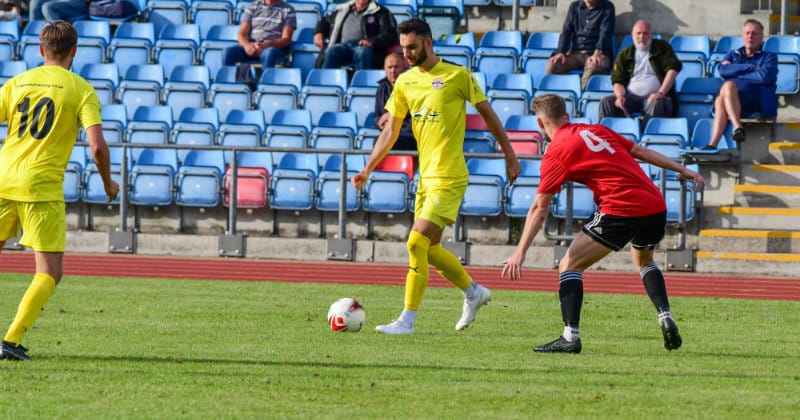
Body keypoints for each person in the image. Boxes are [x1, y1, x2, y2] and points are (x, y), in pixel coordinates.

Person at [351, 18, 521, 335]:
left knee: (416, 242)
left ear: (428, 42)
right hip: (425, 178)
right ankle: (473, 292)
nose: (406, 54)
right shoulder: (405, 82)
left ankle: (407, 320)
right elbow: (390, 131)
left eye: (412, 47)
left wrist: (510, 155)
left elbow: (489, 114)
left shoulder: (457, 75)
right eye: (403, 48)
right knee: (428, 250)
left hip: (450, 176)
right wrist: (368, 168)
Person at [501, 94, 704, 354]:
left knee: (569, 264)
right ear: (567, 116)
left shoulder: (556, 151)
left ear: (540, 123)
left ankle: (570, 336)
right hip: (654, 204)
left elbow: (540, 208)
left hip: (621, 207)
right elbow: (641, 151)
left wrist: (520, 252)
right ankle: (665, 315)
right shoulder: (597, 130)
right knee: (644, 261)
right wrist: (683, 169)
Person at [0, 20, 119, 361]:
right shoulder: (81, 89)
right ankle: (10, 341)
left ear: (41, 50)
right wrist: (107, 182)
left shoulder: (17, 82)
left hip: (3, 178)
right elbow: (97, 146)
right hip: (41, 186)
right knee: (49, 271)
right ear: (73, 52)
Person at [705, 19, 777, 149]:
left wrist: (735, 73)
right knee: (721, 98)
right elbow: (722, 70)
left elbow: (764, 77)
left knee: (727, 86)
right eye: (747, 33)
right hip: (733, 101)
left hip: (755, 101)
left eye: (754, 33)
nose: (750, 36)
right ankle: (716, 142)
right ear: (743, 36)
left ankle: (733, 129)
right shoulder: (733, 54)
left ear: (761, 37)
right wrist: (751, 68)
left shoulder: (769, 57)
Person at [597, 20, 682, 124]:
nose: (641, 37)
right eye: (638, 33)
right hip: (630, 98)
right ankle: (605, 132)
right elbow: (617, 79)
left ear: (651, 34)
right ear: (632, 35)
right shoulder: (625, 54)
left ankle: (646, 133)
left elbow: (673, 69)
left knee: (656, 103)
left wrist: (660, 93)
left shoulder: (662, 48)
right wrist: (620, 96)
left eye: (645, 33)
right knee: (606, 102)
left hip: (655, 97)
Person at [546, 0, 615, 90]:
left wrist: (598, 52)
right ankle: (566, 93)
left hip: (598, 54)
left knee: (593, 66)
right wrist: (560, 52)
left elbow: (605, 32)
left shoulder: (608, 7)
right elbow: (566, 31)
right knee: (552, 66)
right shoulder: (574, 7)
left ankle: (580, 94)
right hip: (575, 54)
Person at [313, 0, 398, 71]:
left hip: (365, 47)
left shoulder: (381, 12)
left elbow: (389, 34)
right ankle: (326, 82)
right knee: (332, 51)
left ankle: (362, 83)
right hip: (343, 46)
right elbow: (325, 21)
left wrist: (371, 42)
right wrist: (319, 32)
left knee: (363, 52)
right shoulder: (342, 9)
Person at [222, 0, 296, 70]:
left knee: (269, 53)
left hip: (273, 47)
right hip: (252, 45)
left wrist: (266, 45)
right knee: (228, 52)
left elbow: (286, 39)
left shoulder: (288, 10)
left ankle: (267, 79)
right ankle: (228, 78)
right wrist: (247, 45)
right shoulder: (252, 7)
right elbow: (242, 33)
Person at [374, 51, 416, 151]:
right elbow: (377, 115)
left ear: (404, 68)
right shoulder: (382, 88)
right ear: (385, 68)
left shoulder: (413, 87)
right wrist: (380, 122)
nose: (393, 71)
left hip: (410, 134)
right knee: (378, 142)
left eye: (397, 67)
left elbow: (418, 117)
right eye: (389, 67)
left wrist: (393, 119)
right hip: (389, 132)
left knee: (383, 142)